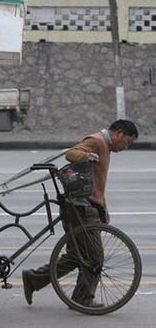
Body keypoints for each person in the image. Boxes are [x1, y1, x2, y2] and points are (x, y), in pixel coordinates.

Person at [22, 119, 139, 307]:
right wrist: (86, 156)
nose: (126, 147)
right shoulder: (98, 141)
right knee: (95, 258)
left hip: (84, 206)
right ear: (119, 133)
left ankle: (34, 279)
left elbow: (97, 183)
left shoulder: (105, 146)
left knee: (76, 256)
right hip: (82, 208)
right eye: (128, 142)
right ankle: (82, 298)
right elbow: (71, 153)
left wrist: (104, 208)